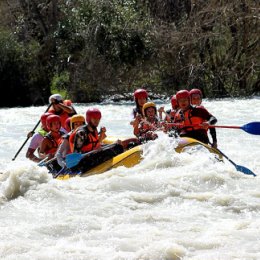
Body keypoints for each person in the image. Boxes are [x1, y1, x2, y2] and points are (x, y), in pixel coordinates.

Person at [70, 108, 138, 173]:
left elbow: (97, 144)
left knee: (118, 145)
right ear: (89, 119)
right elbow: (76, 153)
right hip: (84, 163)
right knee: (117, 148)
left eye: (98, 119)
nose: (97, 121)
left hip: (92, 156)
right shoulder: (81, 133)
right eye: (94, 118)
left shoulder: (94, 129)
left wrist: (111, 142)